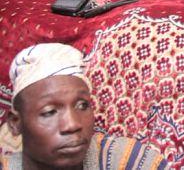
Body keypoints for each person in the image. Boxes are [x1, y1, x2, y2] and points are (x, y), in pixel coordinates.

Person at [2, 43, 169, 170]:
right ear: (15, 123)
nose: (72, 124)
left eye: (82, 105)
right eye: (50, 112)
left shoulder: (129, 161)